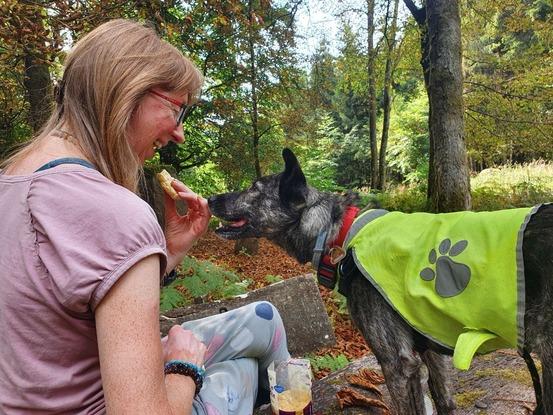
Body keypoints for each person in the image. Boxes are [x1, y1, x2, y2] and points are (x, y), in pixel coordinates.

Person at [0, 19, 290, 414]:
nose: (180, 134)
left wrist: (168, 250)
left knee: (265, 317)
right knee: (239, 369)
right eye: (179, 110)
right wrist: (184, 368)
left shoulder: (11, 180)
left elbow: (66, 305)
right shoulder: (118, 212)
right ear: (130, 90)